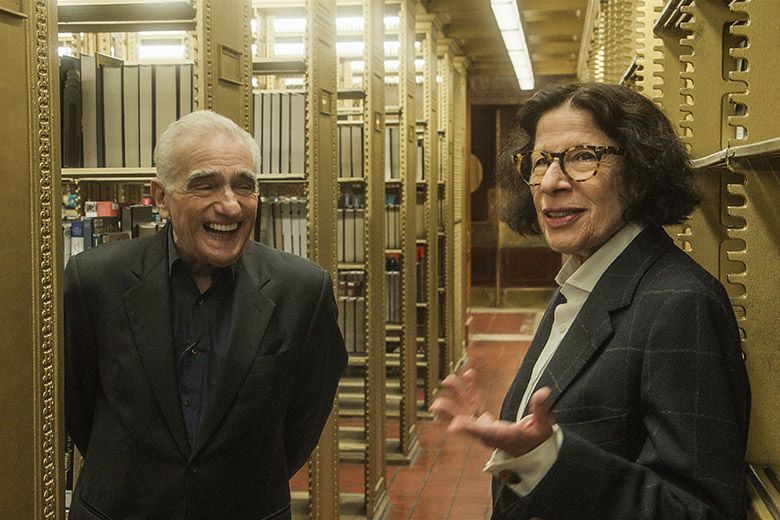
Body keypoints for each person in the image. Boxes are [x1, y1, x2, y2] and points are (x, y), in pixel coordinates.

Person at [431, 82, 750, 519]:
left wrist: (544, 461)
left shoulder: (680, 303)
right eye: (541, 160)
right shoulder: (583, 281)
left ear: (638, 172)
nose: (551, 182)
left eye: (583, 157)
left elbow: (699, 511)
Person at [64, 110, 348, 520]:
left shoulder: (302, 291)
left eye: (244, 186)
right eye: (206, 185)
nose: (230, 205)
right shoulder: (95, 281)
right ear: (161, 197)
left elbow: (304, 417)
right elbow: (78, 404)